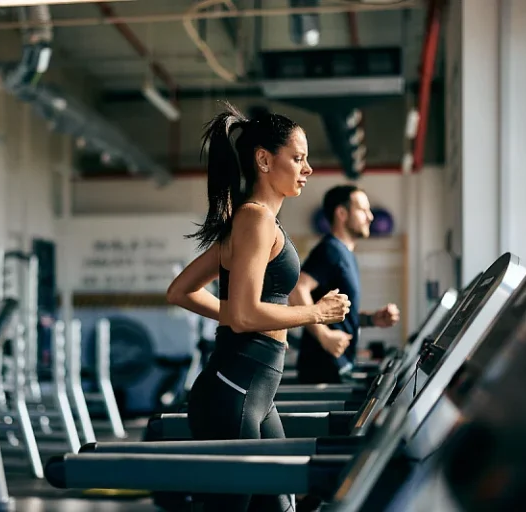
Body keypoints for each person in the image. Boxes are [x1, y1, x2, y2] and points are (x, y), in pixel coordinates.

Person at [166, 103, 351, 512]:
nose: (308, 169)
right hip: (234, 391)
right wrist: (316, 314)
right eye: (298, 158)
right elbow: (245, 314)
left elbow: (182, 292)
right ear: (264, 160)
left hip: (253, 393)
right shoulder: (254, 220)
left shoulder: (255, 221)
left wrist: (234, 314)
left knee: (282, 506)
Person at [289, 184, 400, 384]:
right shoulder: (330, 250)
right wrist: (324, 335)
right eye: (362, 210)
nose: (370, 217)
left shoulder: (346, 254)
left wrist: (372, 319)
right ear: (341, 213)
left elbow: (339, 315)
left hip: (339, 365)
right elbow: (298, 290)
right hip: (322, 369)